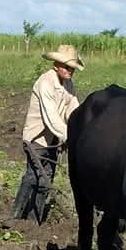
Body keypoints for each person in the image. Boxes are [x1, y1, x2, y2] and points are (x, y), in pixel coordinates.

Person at [12, 44, 82, 224]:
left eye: (72, 68)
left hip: (53, 140)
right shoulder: (45, 83)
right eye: (66, 67)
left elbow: (73, 110)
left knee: (46, 180)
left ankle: (34, 222)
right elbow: (51, 117)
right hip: (36, 138)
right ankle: (14, 217)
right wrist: (71, 137)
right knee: (32, 177)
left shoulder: (69, 85)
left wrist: (82, 129)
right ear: (56, 65)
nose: (70, 71)